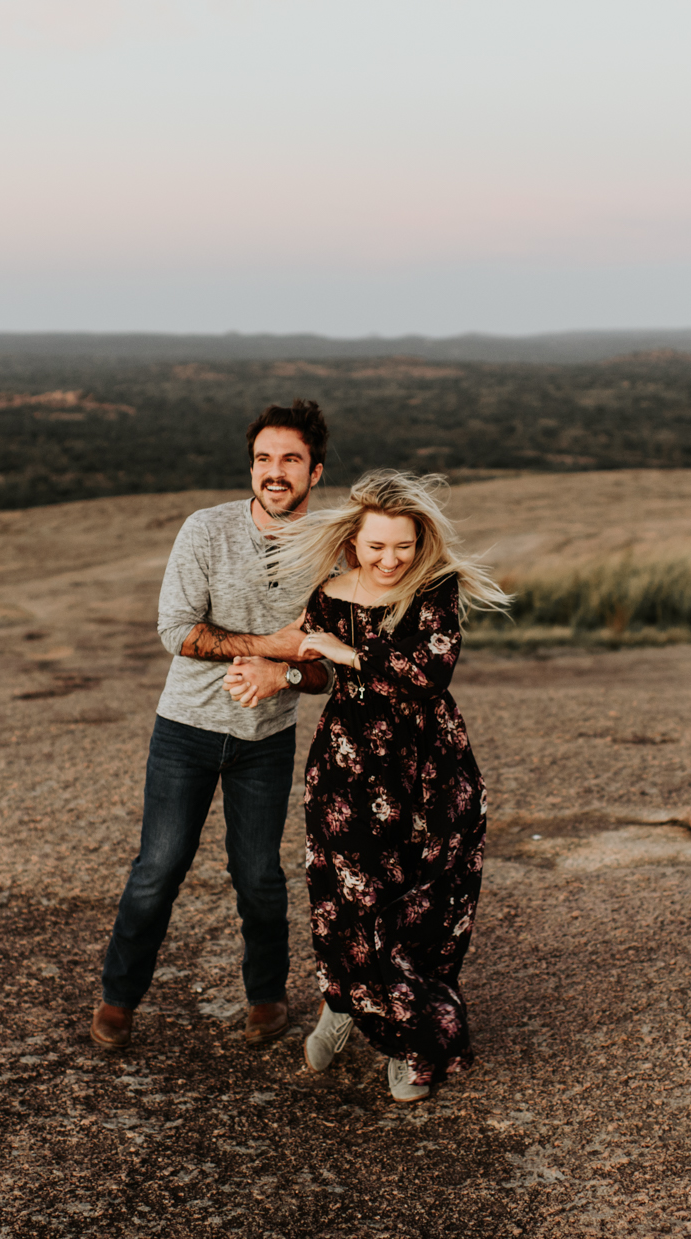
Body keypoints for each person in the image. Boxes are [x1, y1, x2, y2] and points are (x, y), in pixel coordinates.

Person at [260, 470, 510, 1102]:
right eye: (376, 547)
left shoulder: (435, 590)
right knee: (346, 899)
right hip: (347, 770)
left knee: (420, 908)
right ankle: (344, 1004)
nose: (390, 559)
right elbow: (308, 667)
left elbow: (430, 669)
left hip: (431, 773)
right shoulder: (327, 596)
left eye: (402, 546)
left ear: (420, 542)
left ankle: (409, 1044)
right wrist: (277, 671)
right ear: (353, 543)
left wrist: (349, 654)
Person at [90, 400, 332, 1050]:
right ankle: (118, 999)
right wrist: (272, 645)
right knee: (158, 868)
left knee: (258, 876)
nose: (273, 471)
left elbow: (325, 670)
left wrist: (280, 672)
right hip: (186, 730)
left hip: (267, 739)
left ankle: (267, 997)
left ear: (316, 471)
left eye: (290, 459)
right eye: (263, 458)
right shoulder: (207, 530)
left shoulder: (331, 548)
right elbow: (176, 629)